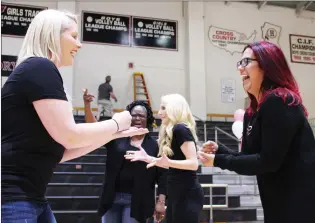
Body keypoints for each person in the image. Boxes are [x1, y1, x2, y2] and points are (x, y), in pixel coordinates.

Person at [1, 9, 147, 223]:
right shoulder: (40, 67)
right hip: (14, 199)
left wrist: (113, 135)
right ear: (52, 35)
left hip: (31, 198)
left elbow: (62, 151)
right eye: (74, 36)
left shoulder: (36, 69)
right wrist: (116, 123)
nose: (79, 45)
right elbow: (70, 136)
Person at [198, 41, 315, 223]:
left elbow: (268, 162)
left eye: (246, 62)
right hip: (276, 205)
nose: (240, 69)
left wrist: (218, 160)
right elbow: (250, 157)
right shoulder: (252, 113)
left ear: (267, 65)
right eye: (239, 63)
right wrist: (219, 151)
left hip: (300, 206)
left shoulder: (280, 100)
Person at [83, 89, 168, 223]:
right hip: (111, 198)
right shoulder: (117, 137)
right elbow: (95, 129)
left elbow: (162, 177)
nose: (137, 118)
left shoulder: (154, 146)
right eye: (134, 115)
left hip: (138, 201)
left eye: (141, 116)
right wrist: (87, 105)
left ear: (148, 119)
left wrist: (161, 201)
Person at [125, 94, 204, 223]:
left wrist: (167, 162)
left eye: (163, 108)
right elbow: (170, 164)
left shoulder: (181, 129)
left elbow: (193, 163)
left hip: (187, 194)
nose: (159, 112)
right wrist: (148, 158)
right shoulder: (172, 130)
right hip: (176, 193)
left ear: (174, 109)